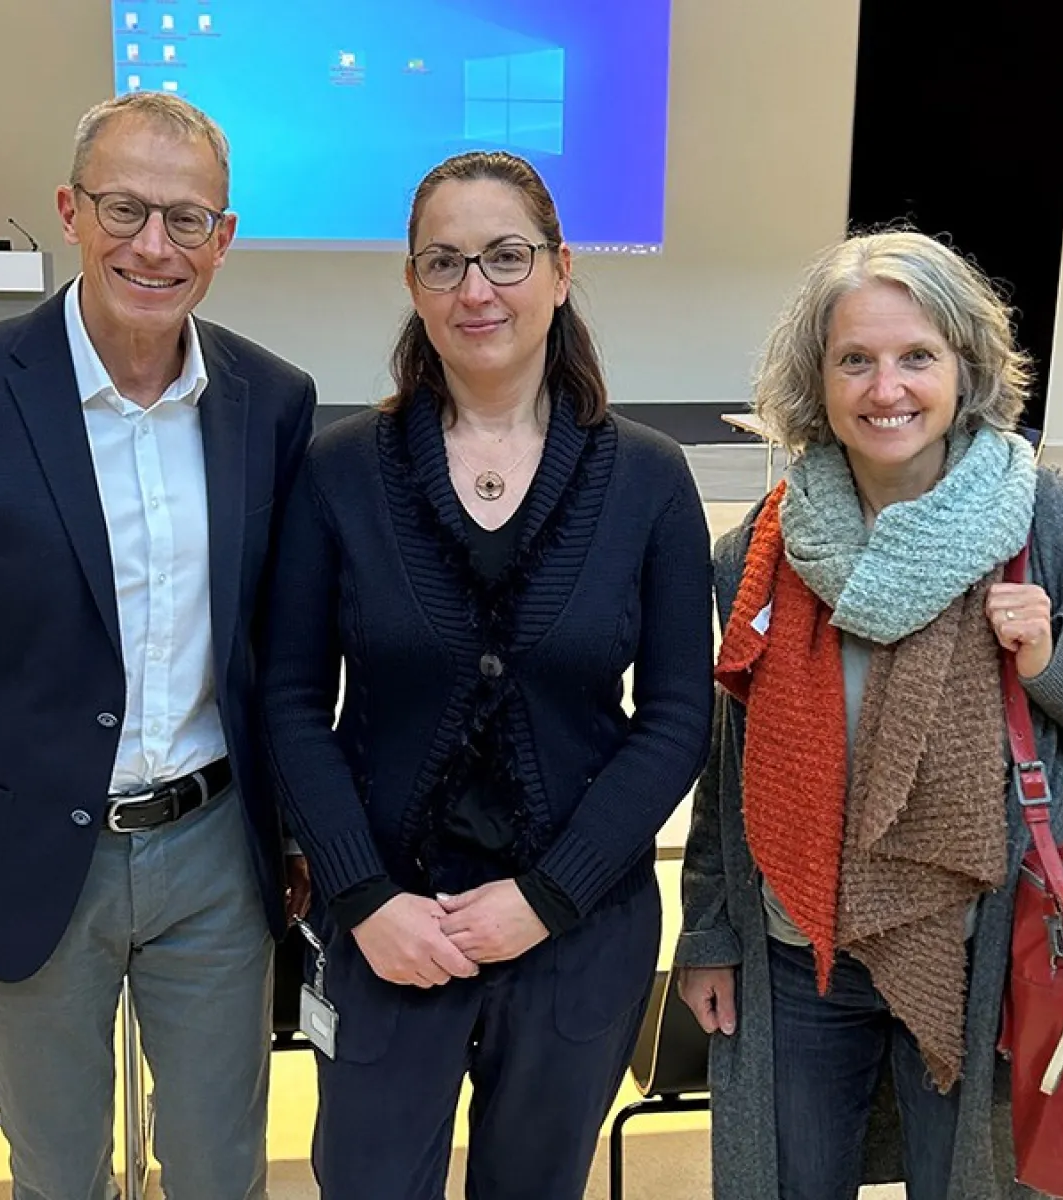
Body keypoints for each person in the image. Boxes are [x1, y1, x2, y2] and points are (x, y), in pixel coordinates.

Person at [0, 92, 316, 1200]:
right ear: (70, 209)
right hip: (25, 852)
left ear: (225, 237)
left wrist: (298, 834)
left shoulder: (273, 401)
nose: (154, 245)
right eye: (124, 208)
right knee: (57, 1173)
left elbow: (282, 657)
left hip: (212, 854)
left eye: (187, 219)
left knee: (219, 1168)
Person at [675, 230, 1063, 1200]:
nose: (886, 389)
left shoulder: (1055, 524)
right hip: (798, 953)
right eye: (854, 360)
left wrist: (1049, 661)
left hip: (983, 960)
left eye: (917, 357)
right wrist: (708, 929)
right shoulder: (763, 545)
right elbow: (726, 758)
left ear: (966, 366)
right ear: (815, 380)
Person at [259, 150, 713, 1199]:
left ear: (560, 271)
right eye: (445, 263)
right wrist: (365, 897)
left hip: (576, 932)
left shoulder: (647, 479)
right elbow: (289, 704)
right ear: (412, 287)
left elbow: (678, 717)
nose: (477, 290)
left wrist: (548, 897)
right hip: (383, 932)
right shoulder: (338, 472)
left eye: (506, 257)